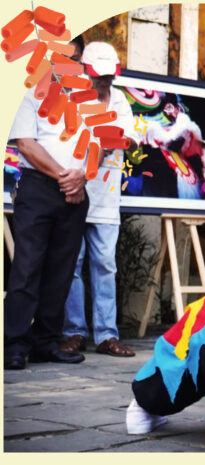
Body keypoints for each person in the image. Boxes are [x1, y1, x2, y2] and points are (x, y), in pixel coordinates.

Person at [4, 37, 90, 369]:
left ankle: (46, 342)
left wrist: (80, 177)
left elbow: (96, 146)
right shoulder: (28, 91)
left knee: (61, 271)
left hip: (78, 191)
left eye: (75, 58)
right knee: (27, 268)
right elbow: (26, 144)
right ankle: (14, 344)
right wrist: (64, 177)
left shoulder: (86, 100)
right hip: (39, 188)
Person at [60, 41, 139, 358]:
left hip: (105, 200)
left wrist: (96, 151)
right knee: (72, 265)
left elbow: (127, 139)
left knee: (105, 266)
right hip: (71, 196)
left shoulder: (119, 99)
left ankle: (107, 335)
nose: (104, 82)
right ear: (85, 71)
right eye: (99, 75)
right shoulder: (69, 98)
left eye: (109, 76)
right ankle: (74, 332)